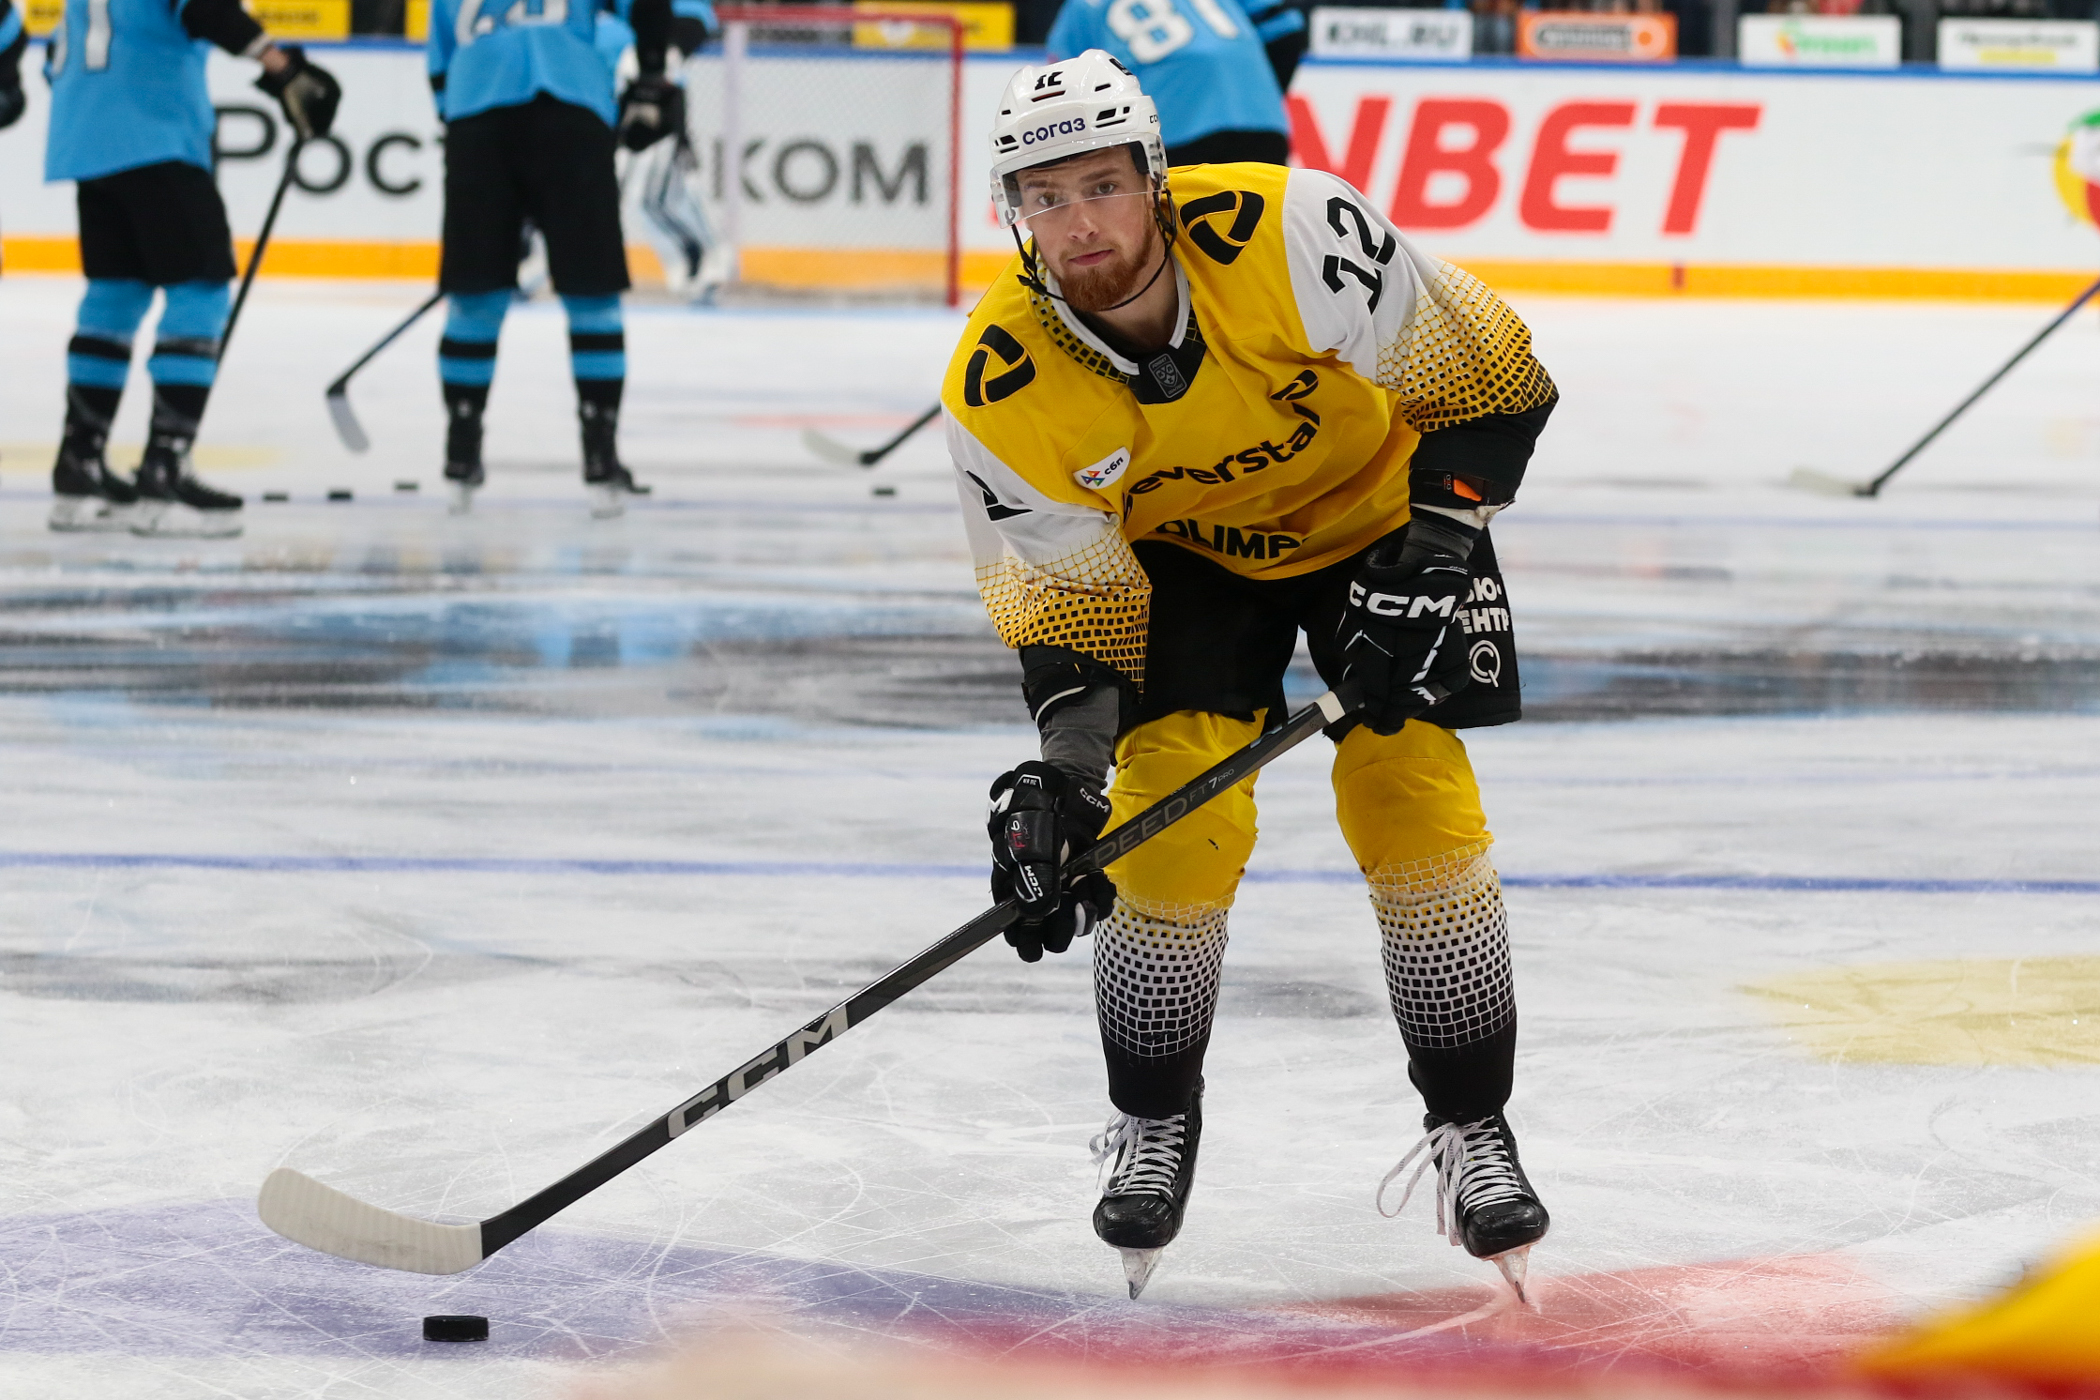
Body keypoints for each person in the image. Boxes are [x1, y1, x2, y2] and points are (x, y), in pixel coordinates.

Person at [946, 51, 1558, 1301]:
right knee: (1170, 820)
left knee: (1411, 787)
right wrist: (1065, 781)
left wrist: (1440, 544)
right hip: (1189, 563)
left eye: (1103, 185)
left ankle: (1472, 1120)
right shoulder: (999, 383)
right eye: (1046, 196)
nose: (1080, 221)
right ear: (1014, 213)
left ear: (1155, 178)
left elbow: (1494, 380)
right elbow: (1070, 614)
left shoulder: (1291, 231)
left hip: (1386, 520)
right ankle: (1152, 1114)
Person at [42, 0, 338, 536]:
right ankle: (165, 471)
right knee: (201, 290)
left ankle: (78, 468)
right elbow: (203, 6)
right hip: (154, 132)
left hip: (86, 133)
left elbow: (54, 58)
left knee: (115, 293)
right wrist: (285, 69)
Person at [427, 0, 678, 517]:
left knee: (476, 299)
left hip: (479, 115)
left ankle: (461, 447)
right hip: (572, 110)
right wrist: (652, 79)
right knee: (593, 296)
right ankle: (600, 453)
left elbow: (441, 62)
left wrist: (462, 124)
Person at [1046, 0, 1299, 167]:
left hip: (1174, 127)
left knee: (1182, 230)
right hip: (1260, 118)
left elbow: (1066, 87)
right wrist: (1257, 96)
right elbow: (1287, 31)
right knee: (1267, 223)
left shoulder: (1080, 8)